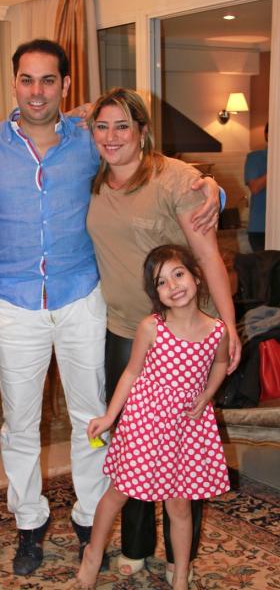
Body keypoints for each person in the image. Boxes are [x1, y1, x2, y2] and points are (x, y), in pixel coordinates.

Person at [0, 42, 221, 577]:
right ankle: (29, 522)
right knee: (19, 422)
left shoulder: (87, 138)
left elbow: (152, 165)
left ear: (65, 86)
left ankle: (89, 517)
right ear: (13, 83)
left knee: (92, 416)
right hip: (15, 300)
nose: (37, 91)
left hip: (83, 297)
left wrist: (212, 191)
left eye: (48, 80)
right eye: (27, 79)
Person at [85, 87, 240, 582]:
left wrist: (229, 327)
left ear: (143, 131)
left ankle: (179, 560)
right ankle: (135, 546)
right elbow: (51, 115)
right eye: (102, 127)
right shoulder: (95, 181)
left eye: (123, 126)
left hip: (183, 338)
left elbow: (208, 256)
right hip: (125, 330)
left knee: (182, 449)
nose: (111, 137)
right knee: (134, 447)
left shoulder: (176, 179)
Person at [75, 244, 231, 590]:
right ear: (155, 293)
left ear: (196, 276)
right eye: (162, 282)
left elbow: (220, 364)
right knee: (119, 493)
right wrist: (110, 417)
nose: (173, 286)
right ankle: (92, 556)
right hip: (145, 422)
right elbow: (131, 373)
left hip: (187, 428)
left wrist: (207, 394)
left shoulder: (217, 331)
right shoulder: (151, 327)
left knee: (180, 506)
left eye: (179, 274)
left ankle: (180, 575)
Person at [244, 122, 268, 252]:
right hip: (260, 228)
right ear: (267, 135)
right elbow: (255, 188)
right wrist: (275, 166)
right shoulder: (255, 158)